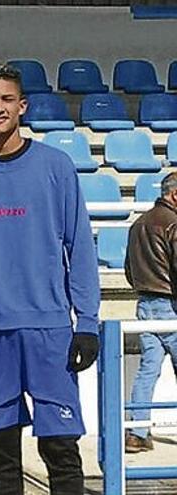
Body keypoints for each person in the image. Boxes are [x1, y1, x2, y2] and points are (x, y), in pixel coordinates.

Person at [0, 64, 100, 495]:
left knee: (62, 451)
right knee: (2, 454)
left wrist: (86, 323)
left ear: (22, 106)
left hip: (48, 329)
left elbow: (80, 248)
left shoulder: (56, 166)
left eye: (6, 99)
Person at [123, 171, 177, 453]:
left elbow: (128, 269)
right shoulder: (174, 224)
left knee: (147, 371)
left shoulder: (138, 224)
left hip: (144, 304)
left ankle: (137, 432)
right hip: (171, 306)